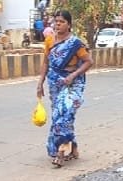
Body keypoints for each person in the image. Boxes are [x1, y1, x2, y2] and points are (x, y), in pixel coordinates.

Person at [36, 9, 94, 167]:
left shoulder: (76, 43)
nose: (58, 24)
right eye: (56, 21)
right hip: (55, 83)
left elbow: (89, 61)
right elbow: (46, 62)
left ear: (69, 24)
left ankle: (61, 151)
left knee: (65, 114)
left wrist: (73, 75)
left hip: (73, 83)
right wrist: (40, 82)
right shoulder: (49, 40)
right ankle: (73, 148)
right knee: (59, 115)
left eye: (62, 22)